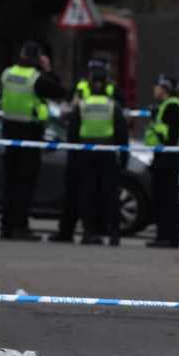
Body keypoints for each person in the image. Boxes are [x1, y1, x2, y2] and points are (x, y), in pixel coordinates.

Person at [0, 40, 67, 240]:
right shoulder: (36, 79)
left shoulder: (6, 74)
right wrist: (48, 69)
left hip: (9, 134)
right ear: (37, 59)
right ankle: (20, 227)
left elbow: (1, 97)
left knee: (9, 183)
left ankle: (6, 227)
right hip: (29, 135)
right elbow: (60, 92)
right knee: (24, 184)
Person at [51, 58, 119, 243]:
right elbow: (122, 117)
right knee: (87, 192)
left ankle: (83, 231)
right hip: (97, 146)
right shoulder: (109, 90)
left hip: (82, 146)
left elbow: (63, 113)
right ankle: (77, 232)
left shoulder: (82, 89)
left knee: (84, 191)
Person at [65, 68, 129, 246]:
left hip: (86, 153)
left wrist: (74, 156)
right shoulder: (112, 106)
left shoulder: (82, 105)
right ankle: (114, 234)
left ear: (91, 84)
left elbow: (73, 133)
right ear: (106, 85)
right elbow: (122, 133)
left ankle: (88, 232)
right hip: (108, 152)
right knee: (110, 195)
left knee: (88, 194)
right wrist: (124, 156)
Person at [145, 75, 179, 248]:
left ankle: (168, 237)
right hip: (163, 156)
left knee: (167, 198)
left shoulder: (173, 106)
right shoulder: (165, 106)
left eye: (157, 87)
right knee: (162, 197)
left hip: (169, 157)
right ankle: (163, 235)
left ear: (164, 89)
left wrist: (155, 121)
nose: (154, 90)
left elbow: (171, 137)